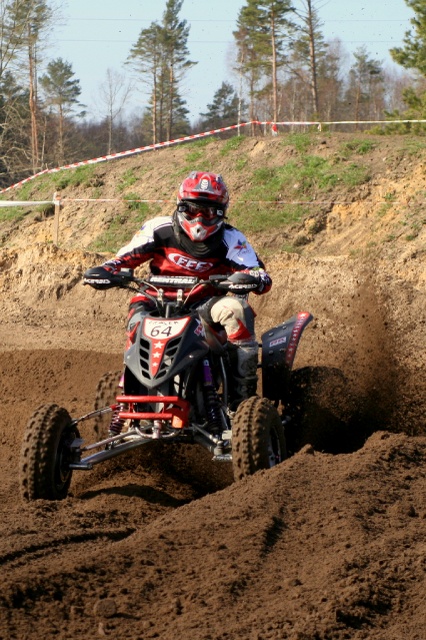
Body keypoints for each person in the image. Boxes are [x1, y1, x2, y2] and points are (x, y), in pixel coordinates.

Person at [99, 170, 272, 409]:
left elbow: (257, 271)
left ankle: (241, 401)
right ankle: (130, 396)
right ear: (180, 206)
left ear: (220, 213)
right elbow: (123, 258)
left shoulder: (231, 238)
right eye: (192, 210)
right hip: (154, 299)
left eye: (208, 212)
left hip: (204, 305)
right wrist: (106, 271)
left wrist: (255, 278)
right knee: (136, 324)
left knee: (236, 310)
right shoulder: (159, 229)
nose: (199, 219)